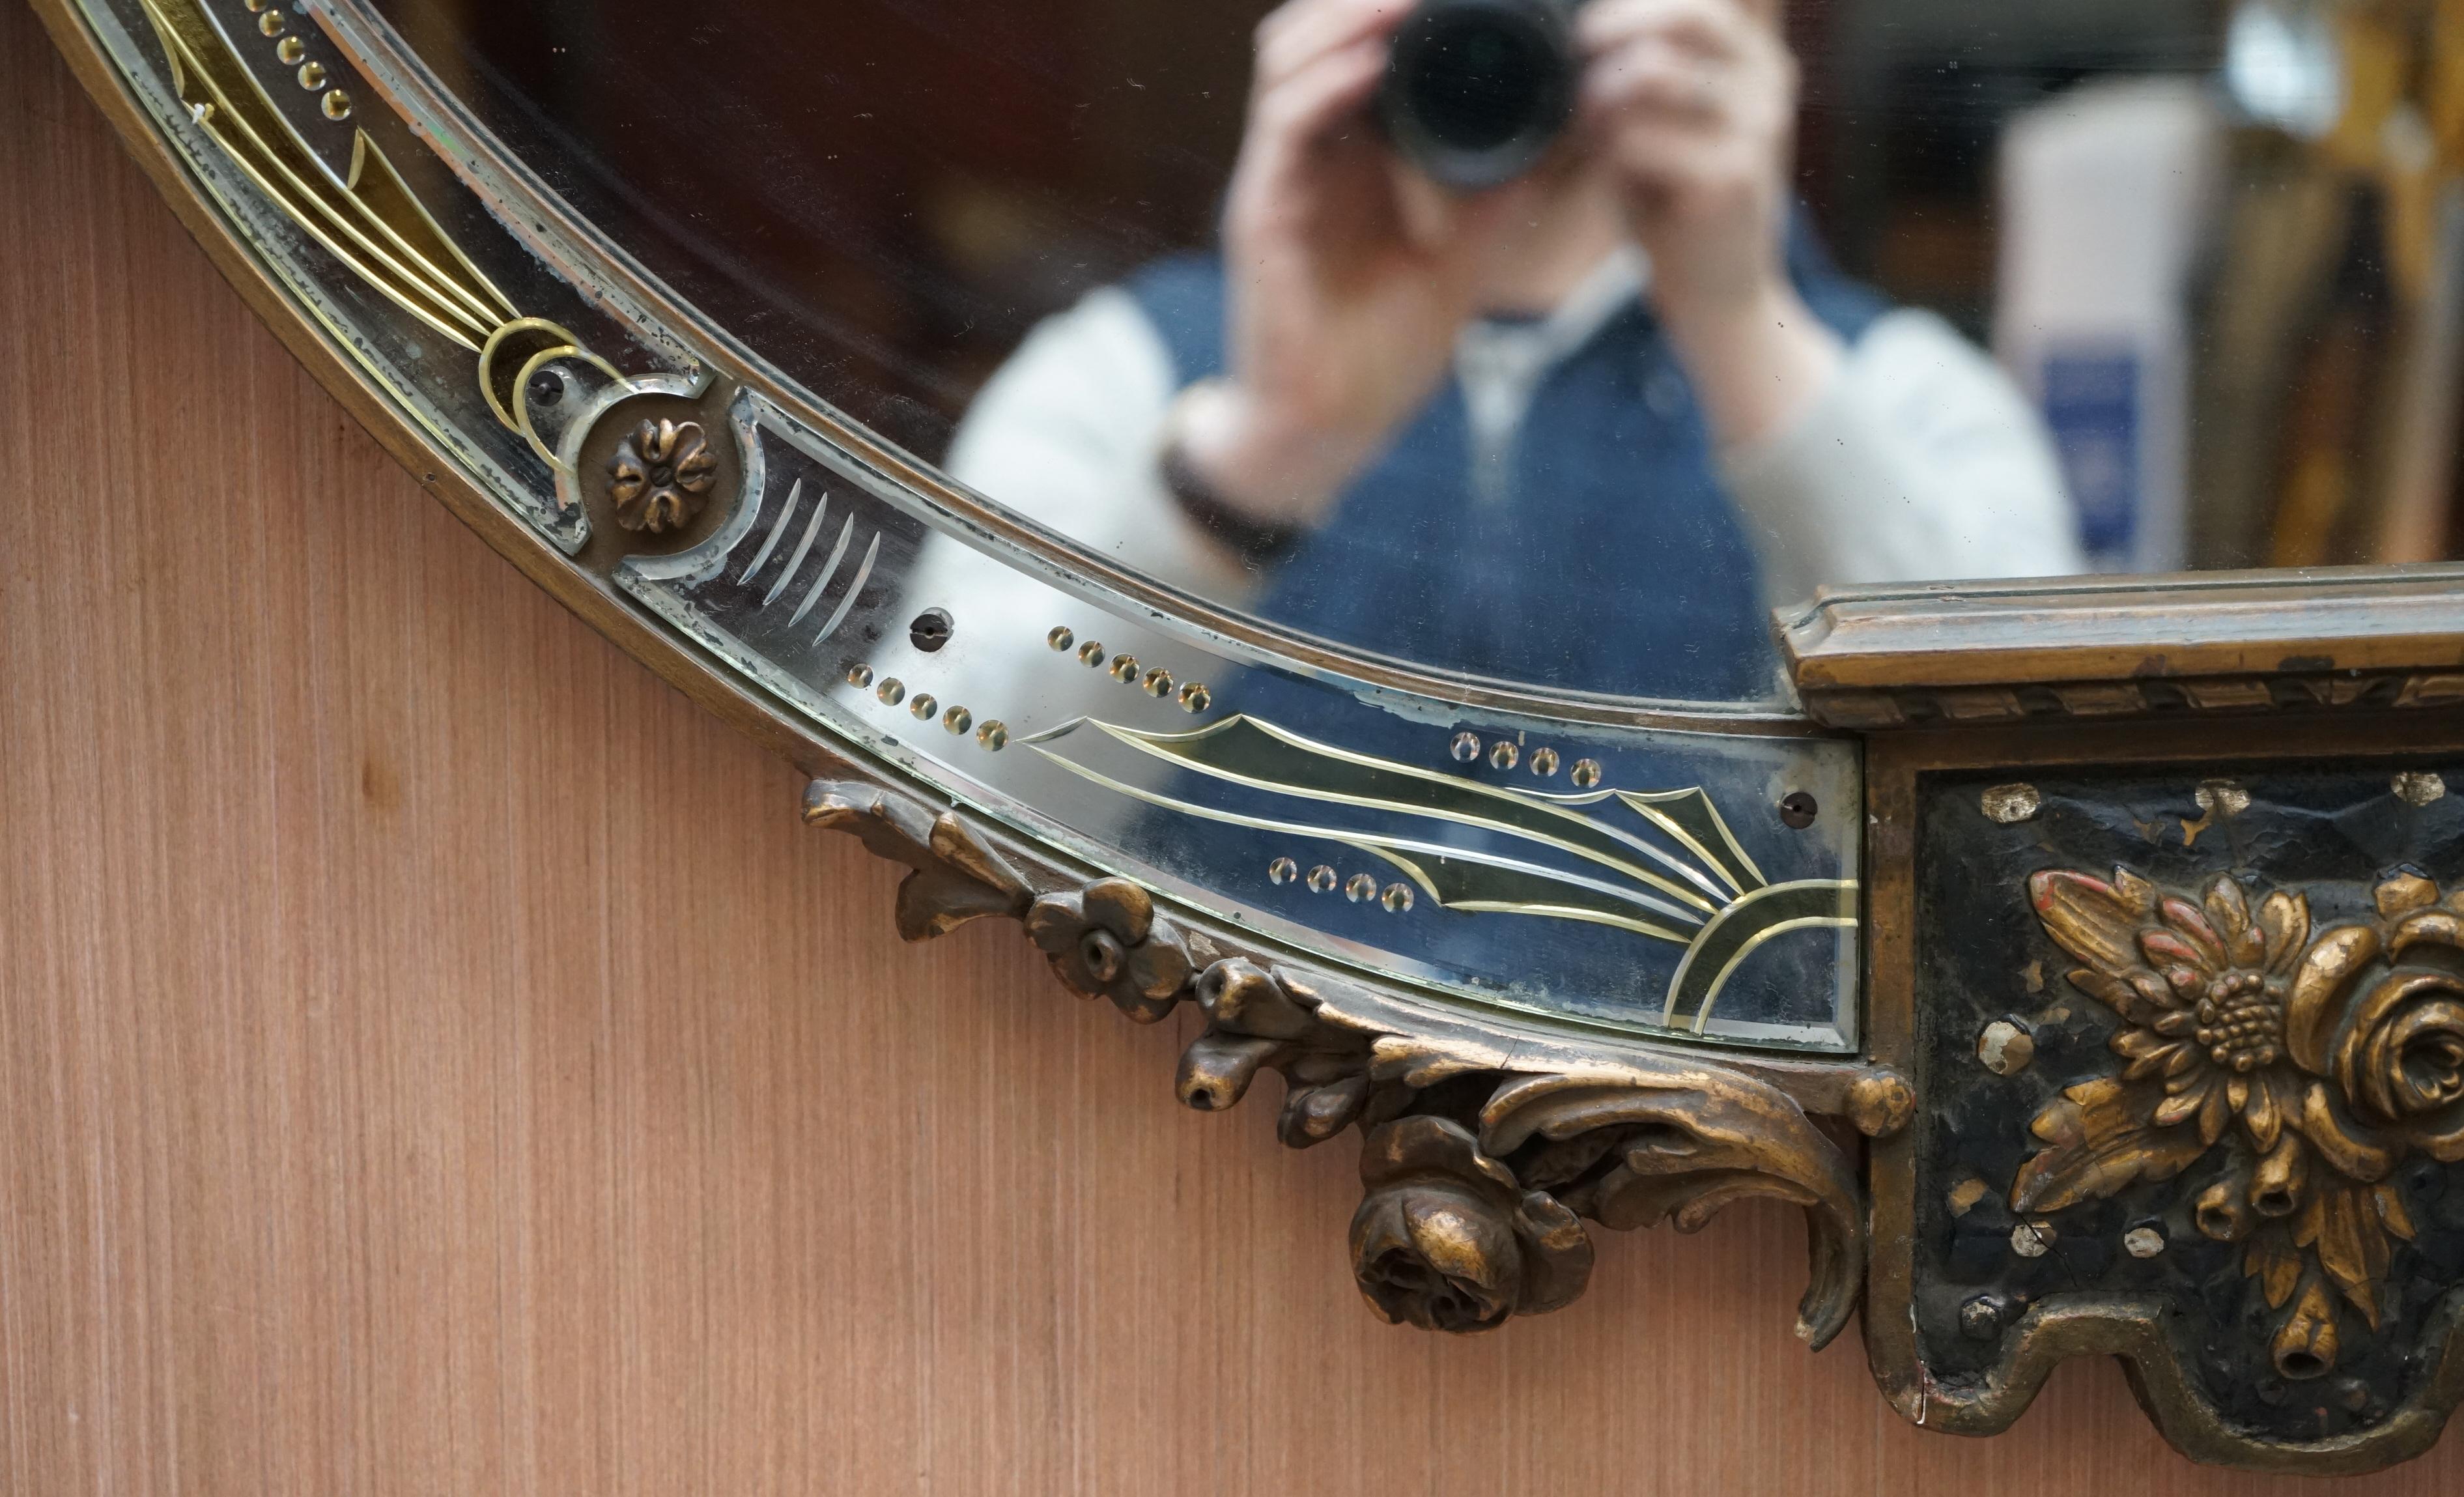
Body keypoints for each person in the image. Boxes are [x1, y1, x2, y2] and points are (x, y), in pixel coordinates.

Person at [929, 0, 2082, 702]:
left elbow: (2017, 848)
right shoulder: (1119, 376)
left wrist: (1748, 336)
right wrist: (1259, 459)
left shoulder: (1910, 395)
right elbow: (916, 803)